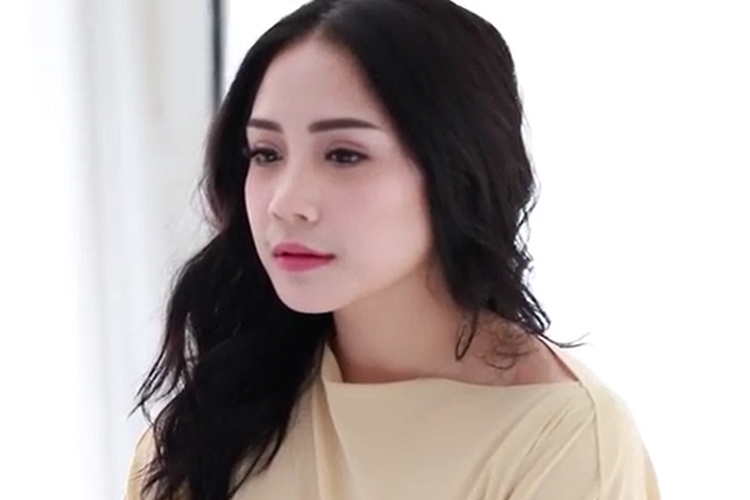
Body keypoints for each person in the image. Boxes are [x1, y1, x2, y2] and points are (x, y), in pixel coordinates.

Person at [125, 0, 660, 498]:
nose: (286, 203)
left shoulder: (561, 437)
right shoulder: (208, 430)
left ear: (457, 172)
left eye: (344, 155)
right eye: (266, 153)